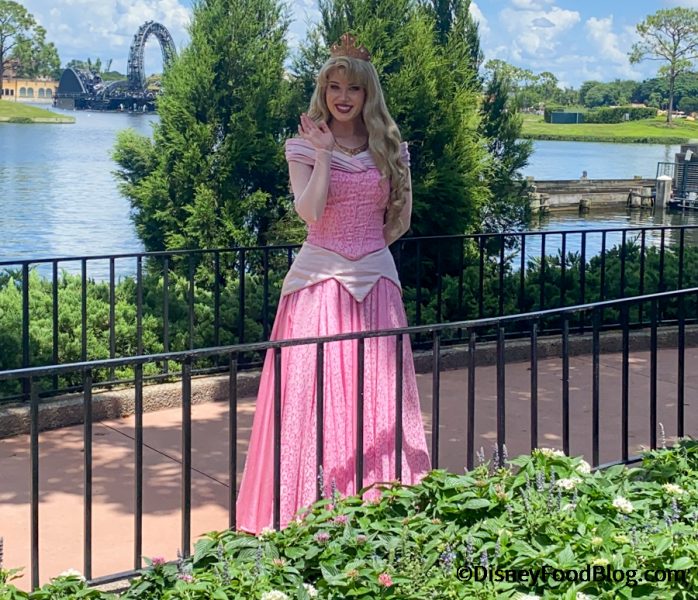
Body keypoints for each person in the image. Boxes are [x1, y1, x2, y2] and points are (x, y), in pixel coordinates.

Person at [235, 33, 431, 533]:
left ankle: (380, 505)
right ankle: (307, 513)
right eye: (334, 87)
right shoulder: (303, 146)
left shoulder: (390, 148)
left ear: (368, 94)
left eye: (353, 88)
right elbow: (310, 212)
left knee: (378, 394)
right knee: (313, 398)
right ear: (323, 91)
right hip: (318, 284)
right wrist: (323, 155)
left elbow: (401, 219)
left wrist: (370, 252)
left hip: (376, 285)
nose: (343, 97)